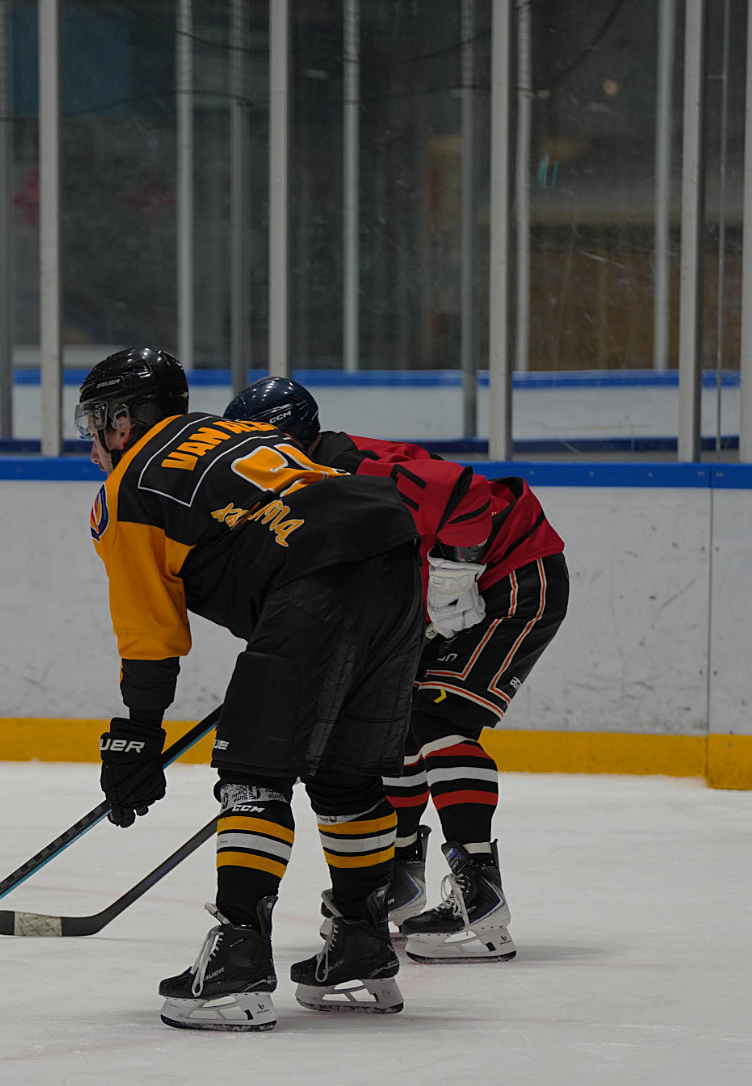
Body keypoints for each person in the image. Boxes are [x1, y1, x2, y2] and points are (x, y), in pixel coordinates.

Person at [79, 348, 424, 1032]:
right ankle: (360, 944)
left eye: (96, 422)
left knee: (253, 777)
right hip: (394, 557)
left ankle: (238, 958)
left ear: (123, 420)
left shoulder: (130, 487)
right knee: (347, 776)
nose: (91, 439)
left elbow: (150, 632)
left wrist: (139, 731)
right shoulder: (230, 430)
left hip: (312, 576)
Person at [223, 377, 568, 963]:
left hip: (513, 571)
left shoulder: (349, 468)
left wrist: (456, 571)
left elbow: (466, 491)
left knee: (438, 721)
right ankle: (399, 880)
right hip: (442, 598)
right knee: (392, 728)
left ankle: (479, 894)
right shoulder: (297, 484)